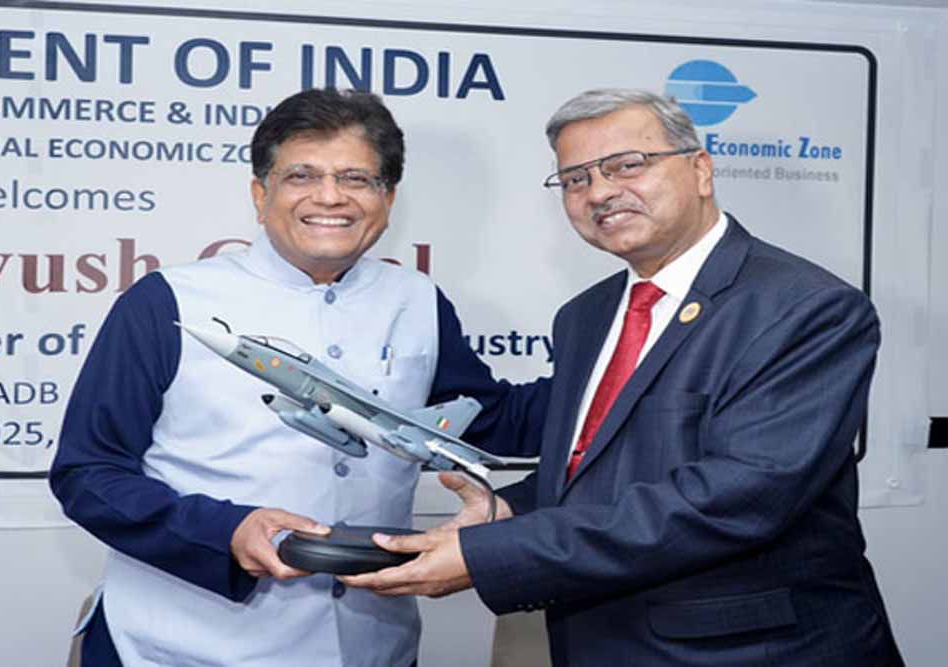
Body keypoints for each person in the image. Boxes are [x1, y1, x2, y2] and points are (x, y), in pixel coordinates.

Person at [344, 89, 904, 666]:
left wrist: (491, 554)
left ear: (700, 169)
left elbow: (737, 498)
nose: (600, 192)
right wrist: (508, 510)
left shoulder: (804, 308)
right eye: (576, 179)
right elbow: (604, 469)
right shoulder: (586, 316)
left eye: (627, 165)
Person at [50, 88, 546, 667]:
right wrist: (227, 530)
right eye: (301, 176)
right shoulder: (168, 302)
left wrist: (619, 379)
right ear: (261, 194)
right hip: (183, 647)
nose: (329, 196)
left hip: (372, 646)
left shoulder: (417, 299)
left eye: (356, 178)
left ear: (387, 198)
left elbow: (486, 420)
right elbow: (89, 474)